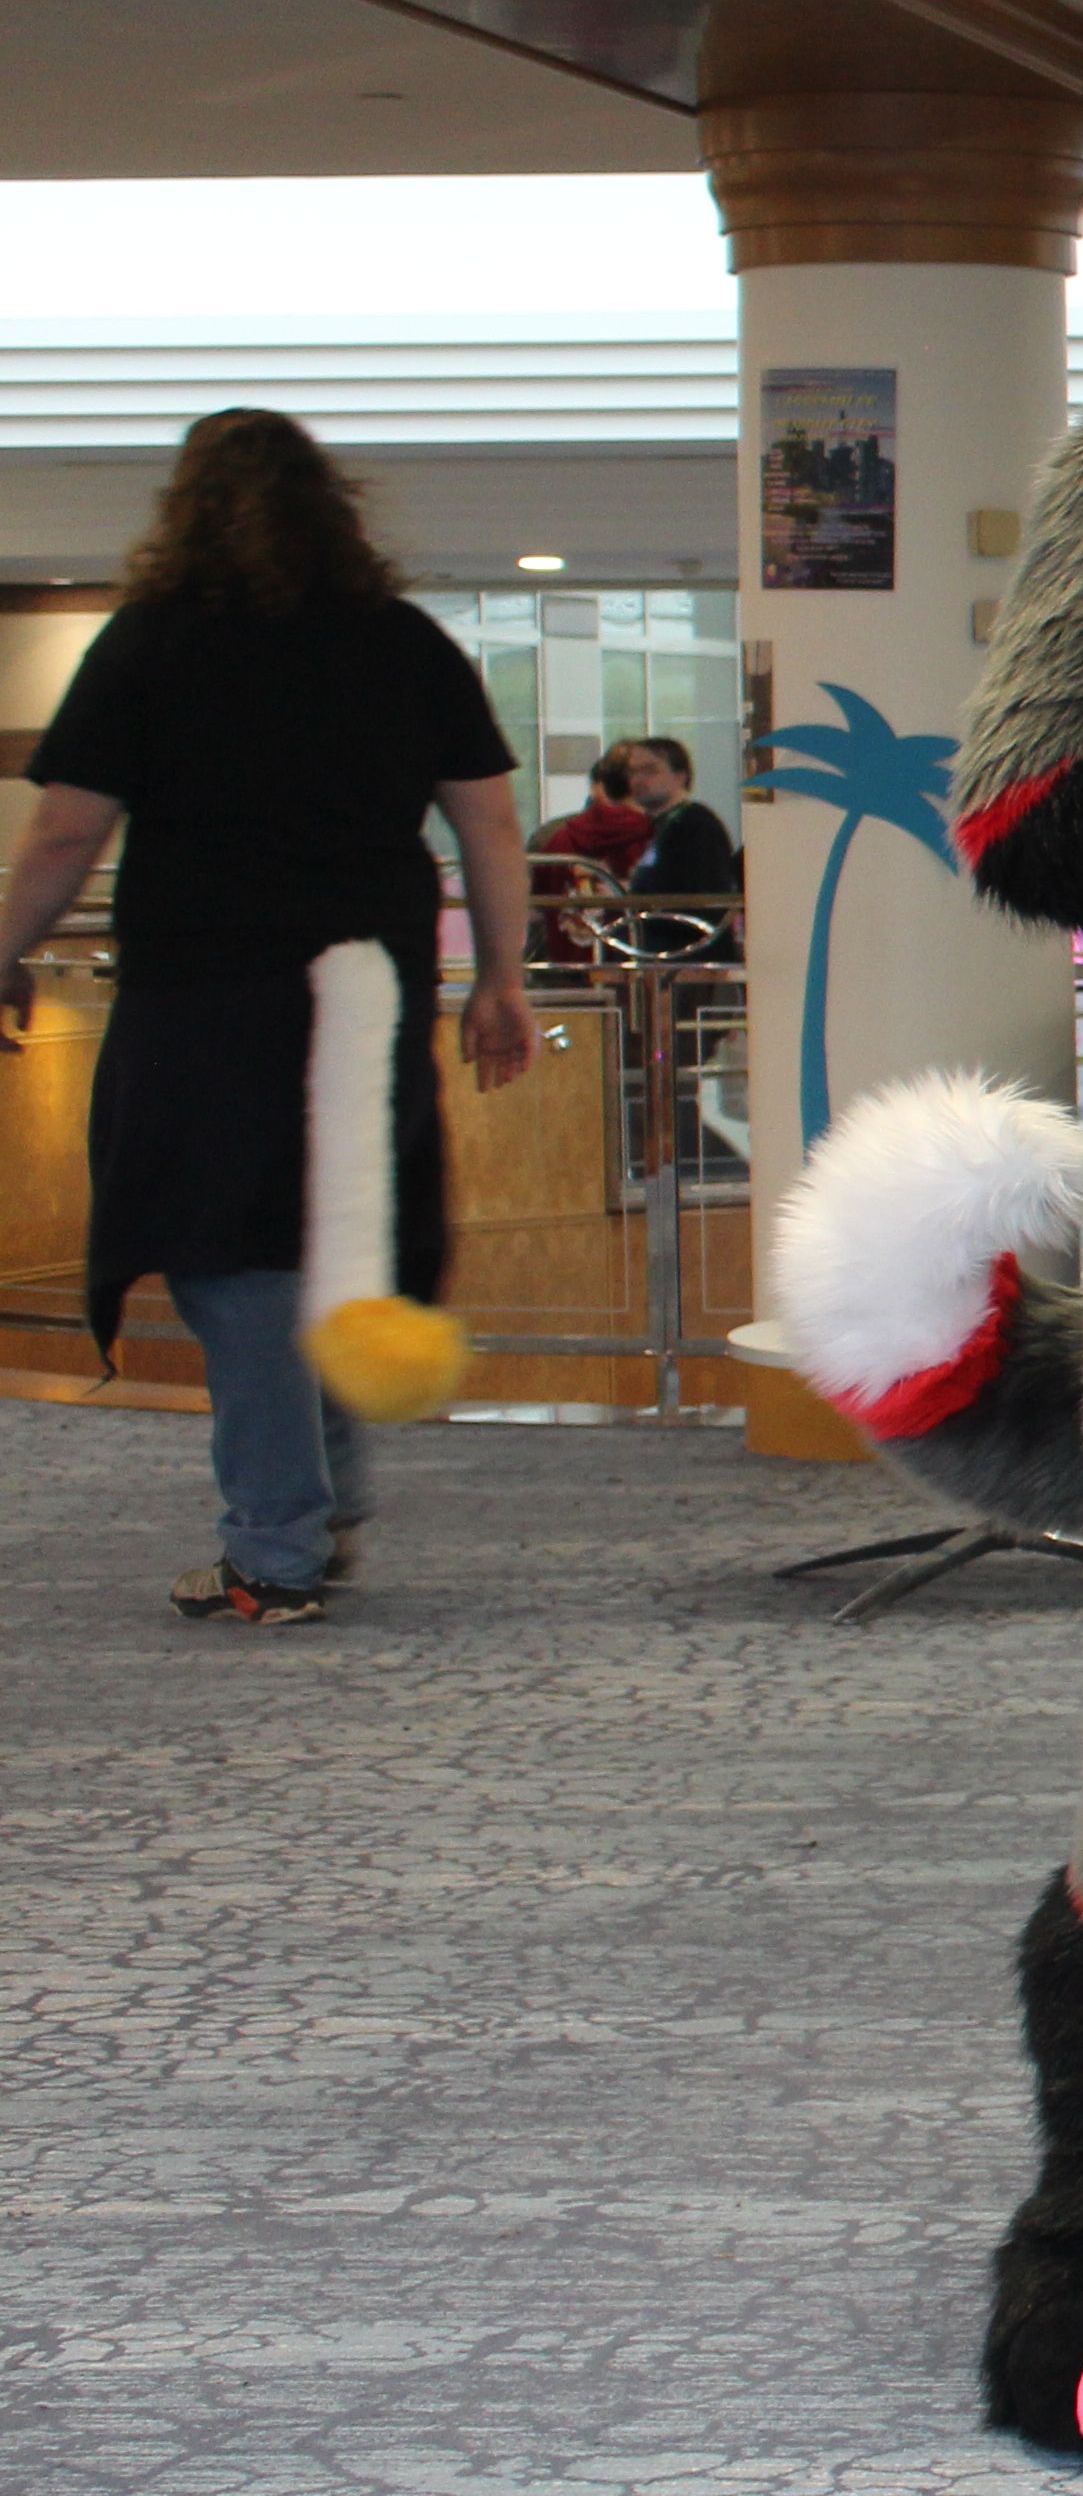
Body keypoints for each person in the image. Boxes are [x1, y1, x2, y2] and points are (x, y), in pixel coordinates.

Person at [0, 409, 533, 1625]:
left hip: (205, 989)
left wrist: (5, 947)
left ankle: (276, 1547)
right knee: (334, 1236)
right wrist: (500, 977)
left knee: (230, 1252)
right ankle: (319, 1510)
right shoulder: (401, 640)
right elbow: (490, 823)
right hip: (368, 983)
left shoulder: (150, 641)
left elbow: (68, 832)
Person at [609, 734, 738, 956]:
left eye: (650, 770)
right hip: (660, 952)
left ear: (680, 776)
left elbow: (704, 902)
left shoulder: (696, 825)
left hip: (687, 956)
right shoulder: (662, 826)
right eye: (632, 772)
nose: (638, 780)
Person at [528, 746, 652, 968]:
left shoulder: (557, 837)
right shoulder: (655, 834)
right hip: (639, 965)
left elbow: (536, 904)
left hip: (566, 964)